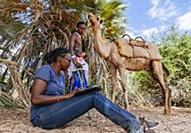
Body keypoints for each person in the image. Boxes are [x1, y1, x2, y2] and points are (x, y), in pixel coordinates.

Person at [30, 47, 158, 133]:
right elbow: (35, 99)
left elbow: (58, 99)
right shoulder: (46, 70)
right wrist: (65, 97)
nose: (71, 63)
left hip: (53, 112)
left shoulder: (62, 75)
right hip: (41, 116)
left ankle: (136, 121)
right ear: (59, 59)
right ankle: (134, 127)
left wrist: (76, 95)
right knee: (94, 97)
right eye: (69, 60)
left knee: (92, 93)